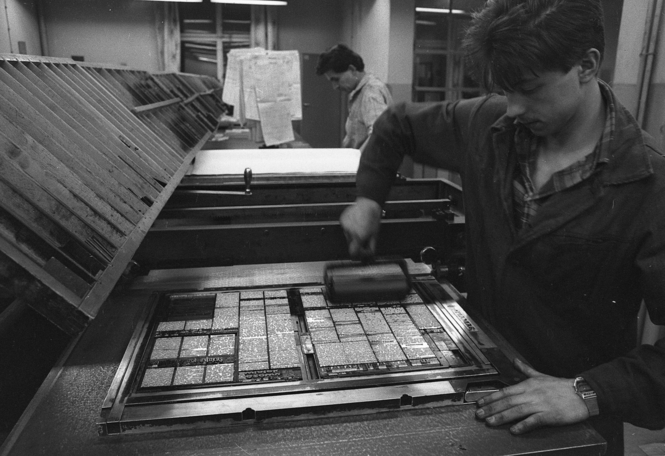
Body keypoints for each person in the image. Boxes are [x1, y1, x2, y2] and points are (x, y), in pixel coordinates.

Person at [339, 1, 665, 455]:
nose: (512, 108)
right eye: (505, 90)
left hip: (574, 425)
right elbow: (396, 125)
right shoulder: (489, 125)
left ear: (587, 65)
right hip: (478, 392)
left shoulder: (649, 183)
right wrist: (369, 198)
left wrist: (588, 391)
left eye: (528, 89)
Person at [316, 44, 393, 150]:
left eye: (336, 79)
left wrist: (358, 158)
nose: (335, 86)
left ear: (352, 69)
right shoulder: (359, 92)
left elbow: (380, 135)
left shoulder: (371, 92)